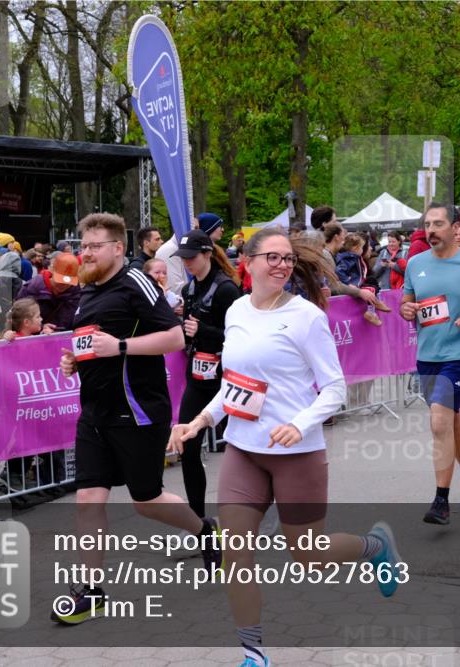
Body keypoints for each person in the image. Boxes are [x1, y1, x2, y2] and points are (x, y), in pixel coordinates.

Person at [168, 226, 403, 667]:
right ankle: (253, 655)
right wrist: (199, 420)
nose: (281, 265)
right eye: (272, 257)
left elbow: (334, 387)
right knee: (236, 554)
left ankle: (375, 546)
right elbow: (234, 385)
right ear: (249, 263)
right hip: (244, 450)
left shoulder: (306, 316)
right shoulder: (236, 310)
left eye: (287, 259)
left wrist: (299, 424)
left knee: (310, 555)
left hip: (298, 455)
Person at [52, 213, 220, 625]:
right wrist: (75, 360)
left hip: (138, 411)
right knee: (89, 498)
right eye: (82, 246)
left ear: (117, 248)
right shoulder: (87, 290)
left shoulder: (136, 282)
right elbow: (94, 342)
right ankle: (91, 591)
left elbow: (175, 337)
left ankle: (205, 530)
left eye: (94, 246)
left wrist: (121, 346)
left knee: (146, 502)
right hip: (93, 411)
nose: (85, 253)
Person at [401, 203, 460, 524]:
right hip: (427, 355)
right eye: (427, 224)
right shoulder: (415, 263)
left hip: (459, 354)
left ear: (454, 227)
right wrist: (408, 310)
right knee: (452, 419)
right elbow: (407, 301)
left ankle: (441, 500)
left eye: (437, 223)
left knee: (440, 422)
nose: (430, 230)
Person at [174, 231, 242, 517]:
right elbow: (188, 335)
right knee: (187, 445)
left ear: (207, 254)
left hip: (228, 377)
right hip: (199, 377)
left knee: (242, 449)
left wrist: (203, 331)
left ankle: (252, 513)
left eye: (192, 257)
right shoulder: (188, 290)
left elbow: (238, 337)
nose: (187, 262)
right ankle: (198, 522)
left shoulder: (226, 289)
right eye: (184, 258)